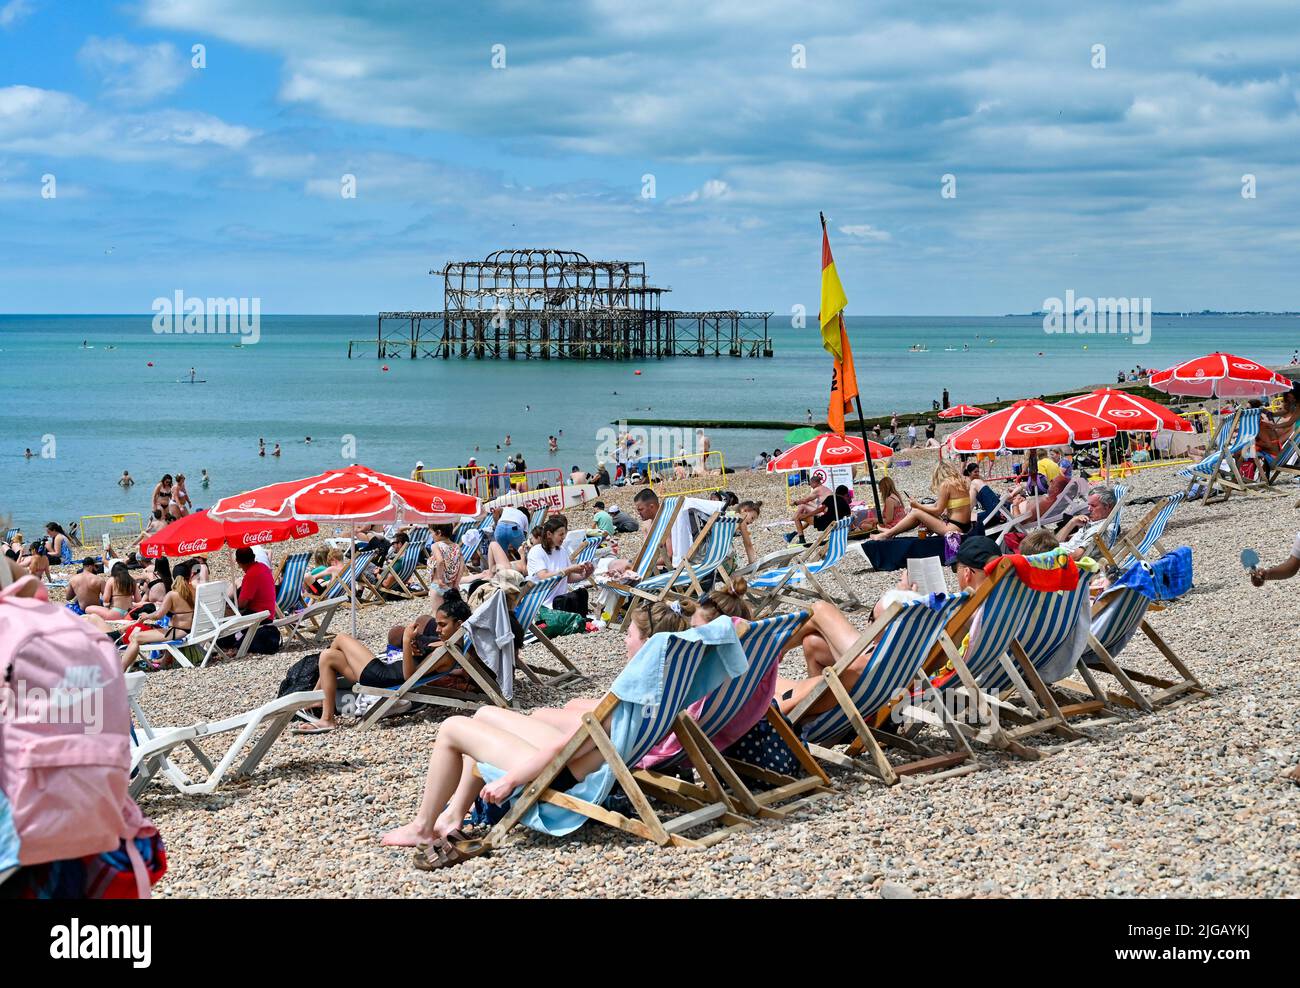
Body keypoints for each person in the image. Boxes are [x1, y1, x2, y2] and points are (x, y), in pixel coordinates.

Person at [379, 598, 694, 854]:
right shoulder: (659, 684)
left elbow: (567, 748)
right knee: (486, 716)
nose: (625, 640)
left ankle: (422, 825)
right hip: (587, 763)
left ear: (648, 644)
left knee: (452, 727)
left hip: (565, 774)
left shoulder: (632, 687)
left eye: (630, 635)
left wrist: (509, 781)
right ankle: (451, 816)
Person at [776, 536, 1000, 717]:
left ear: (967, 573)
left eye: (957, 570)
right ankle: (814, 717)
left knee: (820, 609)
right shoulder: (992, 608)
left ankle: (770, 653)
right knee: (812, 644)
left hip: (887, 677)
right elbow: (932, 647)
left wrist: (903, 595)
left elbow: (883, 626)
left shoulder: (966, 609)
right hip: (905, 670)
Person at [295, 590, 478, 734]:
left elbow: (409, 677)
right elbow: (420, 662)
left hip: (383, 676)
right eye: (437, 624)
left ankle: (319, 702)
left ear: (459, 624)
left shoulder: (446, 653)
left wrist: (406, 642)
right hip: (384, 672)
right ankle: (324, 713)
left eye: (442, 625)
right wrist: (417, 646)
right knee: (327, 656)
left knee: (341, 638)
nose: (437, 629)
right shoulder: (449, 645)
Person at [118, 561, 199, 669]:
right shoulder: (195, 590)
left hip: (177, 632)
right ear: (189, 575)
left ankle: (121, 669)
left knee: (135, 637)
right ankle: (164, 662)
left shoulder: (172, 594)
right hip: (189, 630)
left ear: (174, 576)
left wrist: (146, 616)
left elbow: (158, 615)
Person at [870, 461, 972, 539]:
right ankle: (890, 532)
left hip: (953, 528)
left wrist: (917, 506)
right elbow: (935, 505)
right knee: (916, 511)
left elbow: (938, 511)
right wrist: (917, 505)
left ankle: (887, 534)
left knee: (915, 512)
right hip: (965, 526)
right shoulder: (961, 482)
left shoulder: (946, 484)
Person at [526, 517, 593, 615]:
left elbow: (569, 578)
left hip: (561, 602)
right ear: (549, 534)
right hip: (542, 605)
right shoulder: (537, 551)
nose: (564, 537)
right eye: (561, 534)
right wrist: (569, 569)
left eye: (564, 534)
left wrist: (585, 574)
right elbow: (543, 577)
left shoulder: (561, 551)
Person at [788, 476, 832, 544]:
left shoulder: (817, 489)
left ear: (815, 483)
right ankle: (793, 533)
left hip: (827, 517)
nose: (810, 485)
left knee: (799, 513)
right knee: (805, 508)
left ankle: (801, 539)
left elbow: (805, 500)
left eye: (810, 484)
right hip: (830, 513)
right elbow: (810, 502)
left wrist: (794, 503)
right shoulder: (825, 488)